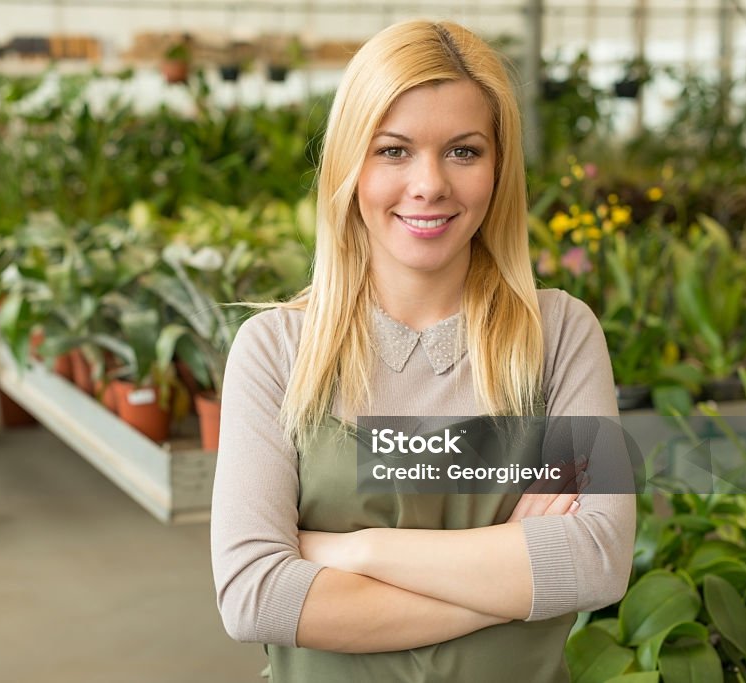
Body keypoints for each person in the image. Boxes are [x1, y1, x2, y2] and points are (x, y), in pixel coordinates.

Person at [209, 18, 636, 682]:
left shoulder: (562, 335)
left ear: (499, 166)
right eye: (394, 150)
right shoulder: (274, 351)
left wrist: (356, 551)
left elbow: (598, 562)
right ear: (352, 163)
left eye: (464, 151)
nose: (430, 183)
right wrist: (515, 582)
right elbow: (254, 596)